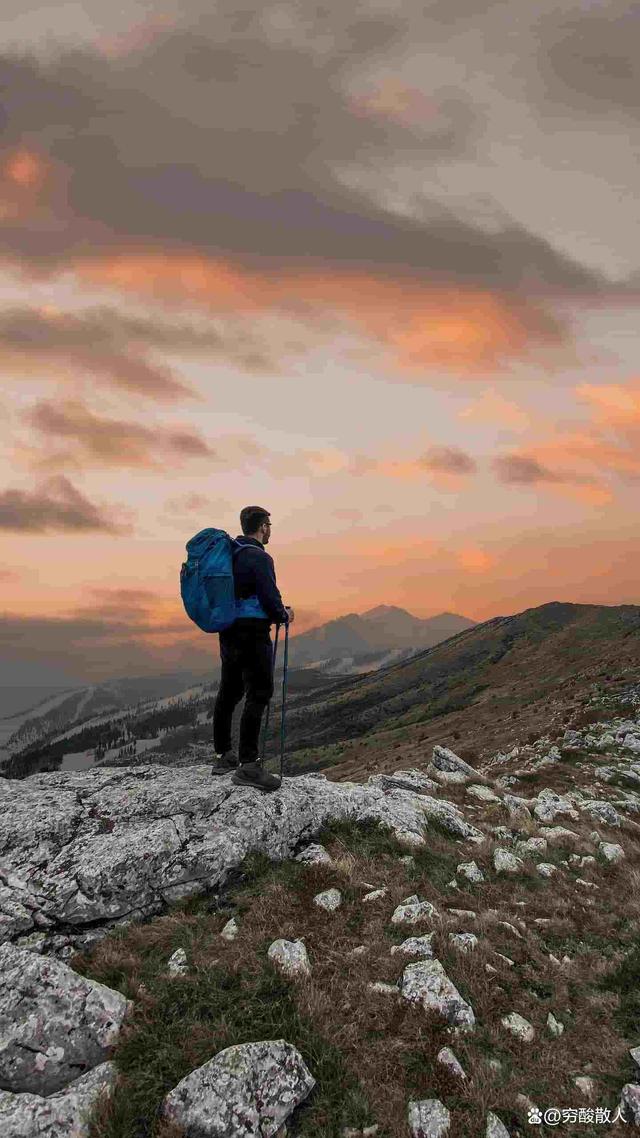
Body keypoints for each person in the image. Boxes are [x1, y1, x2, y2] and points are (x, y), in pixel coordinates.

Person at [211, 506, 294, 792]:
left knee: (230, 691)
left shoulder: (229, 555)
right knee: (259, 693)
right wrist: (284, 614)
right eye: (269, 525)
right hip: (253, 632)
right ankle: (248, 765)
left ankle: (223, 756)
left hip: (228, 631)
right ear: (263, 527)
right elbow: (270, 598)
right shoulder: (259, 556)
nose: (270, 530)